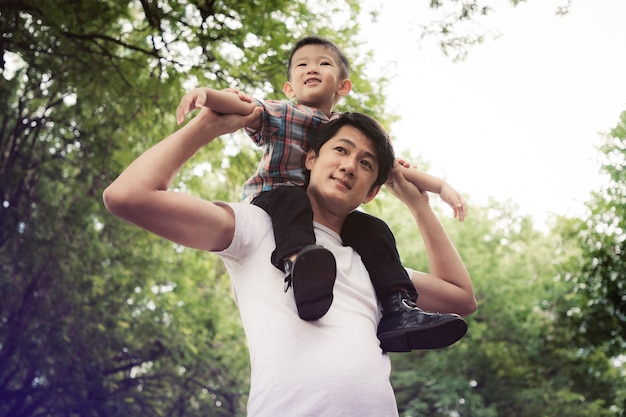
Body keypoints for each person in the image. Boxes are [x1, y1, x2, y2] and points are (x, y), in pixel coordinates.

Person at [103, 109, 477, 416]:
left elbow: (461, 299)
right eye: (341, 151)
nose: (350, 166)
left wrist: (418, 204)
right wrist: (208, 126)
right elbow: (127, 196)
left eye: (365, 164)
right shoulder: (257, 227)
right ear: (311, 159)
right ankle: (297, 266)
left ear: (372, 192)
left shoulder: (375, 266)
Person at [175, 35, 469, 351]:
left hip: (316, 215)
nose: (312, 68)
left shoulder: (347, 130)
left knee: (371, 227)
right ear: (290, 88)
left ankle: (398, 306)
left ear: (343, 87)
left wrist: (439, 188)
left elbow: (396, 171)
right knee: (293, 195)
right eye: (302, 64)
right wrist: (208, 97)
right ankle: (299, 263)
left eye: (323, 63)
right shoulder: (284, 113)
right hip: (274, 201)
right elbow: (245, 105)